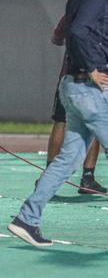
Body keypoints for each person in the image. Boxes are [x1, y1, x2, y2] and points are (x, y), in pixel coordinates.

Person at [8, 0, 108, 247]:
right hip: (87, 88)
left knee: (66, 161)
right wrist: (92, 66)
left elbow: (70, 30)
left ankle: (27, 218)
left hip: (74, 87)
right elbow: (77, 32)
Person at [46, 14, 106, 194]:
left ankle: (50, 176)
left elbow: (57, 38)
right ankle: (87, 177)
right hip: (95, 79)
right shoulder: (96, 4)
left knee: (62, 121)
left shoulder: (77, 8)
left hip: (72, 76)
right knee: (95, 122)